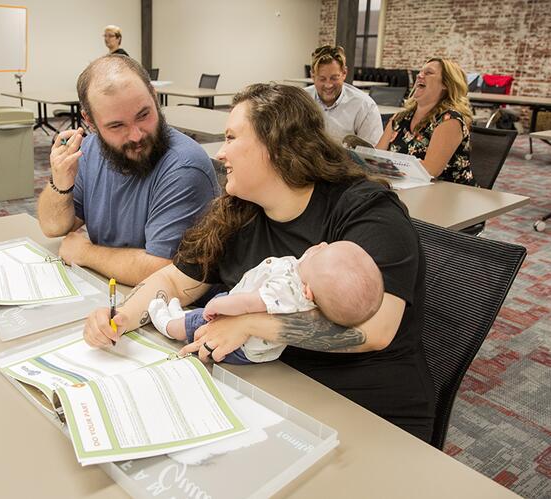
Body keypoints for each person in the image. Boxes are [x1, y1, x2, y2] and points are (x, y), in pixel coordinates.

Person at [83, 83, 436, 443]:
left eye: (232, 137)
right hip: (275, 390)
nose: (221, 154)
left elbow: (375, 331)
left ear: (277, 145)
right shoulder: (239, 211)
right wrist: (122, 317)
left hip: (368, 410)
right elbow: (175, 282)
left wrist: (252, 324)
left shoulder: (365, 210)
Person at [37, 55, 218, 286]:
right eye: (116, 125)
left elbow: (163, 271)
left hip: (166, 308)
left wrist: (86, 253)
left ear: (154, 95)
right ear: (89, 121)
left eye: (143, 115)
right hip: (111, 287)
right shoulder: (90, 150)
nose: (136, 135)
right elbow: (54, 227)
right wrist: (60, 181)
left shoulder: (184, 166)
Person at [148, 241, 384, 364]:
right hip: (252, 339)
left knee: (202, 317)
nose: (320, 246)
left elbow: (249, 304)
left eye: (321, 253)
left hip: (240, 347)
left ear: (308, 293)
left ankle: (168, 325)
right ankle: (182, 317)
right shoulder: (314, 289)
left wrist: (215, 307)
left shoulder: (288, 290)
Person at [376, 58, 475, 185]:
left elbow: (430, 170)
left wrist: (387, 164)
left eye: (428, 73)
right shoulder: (400, 118)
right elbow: (376, 157)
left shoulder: (449, 120)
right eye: (420, 72)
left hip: (447, 194)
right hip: (403, 186)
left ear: (446, 84)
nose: (419, 75)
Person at [304, 45, 382, 146]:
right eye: (322, 79)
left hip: (348, 161)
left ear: (344, 73)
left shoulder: (365, 106)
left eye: (334, 78)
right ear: (312, 76)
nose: (328, 85)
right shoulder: (300, 101)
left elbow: (372, 154)